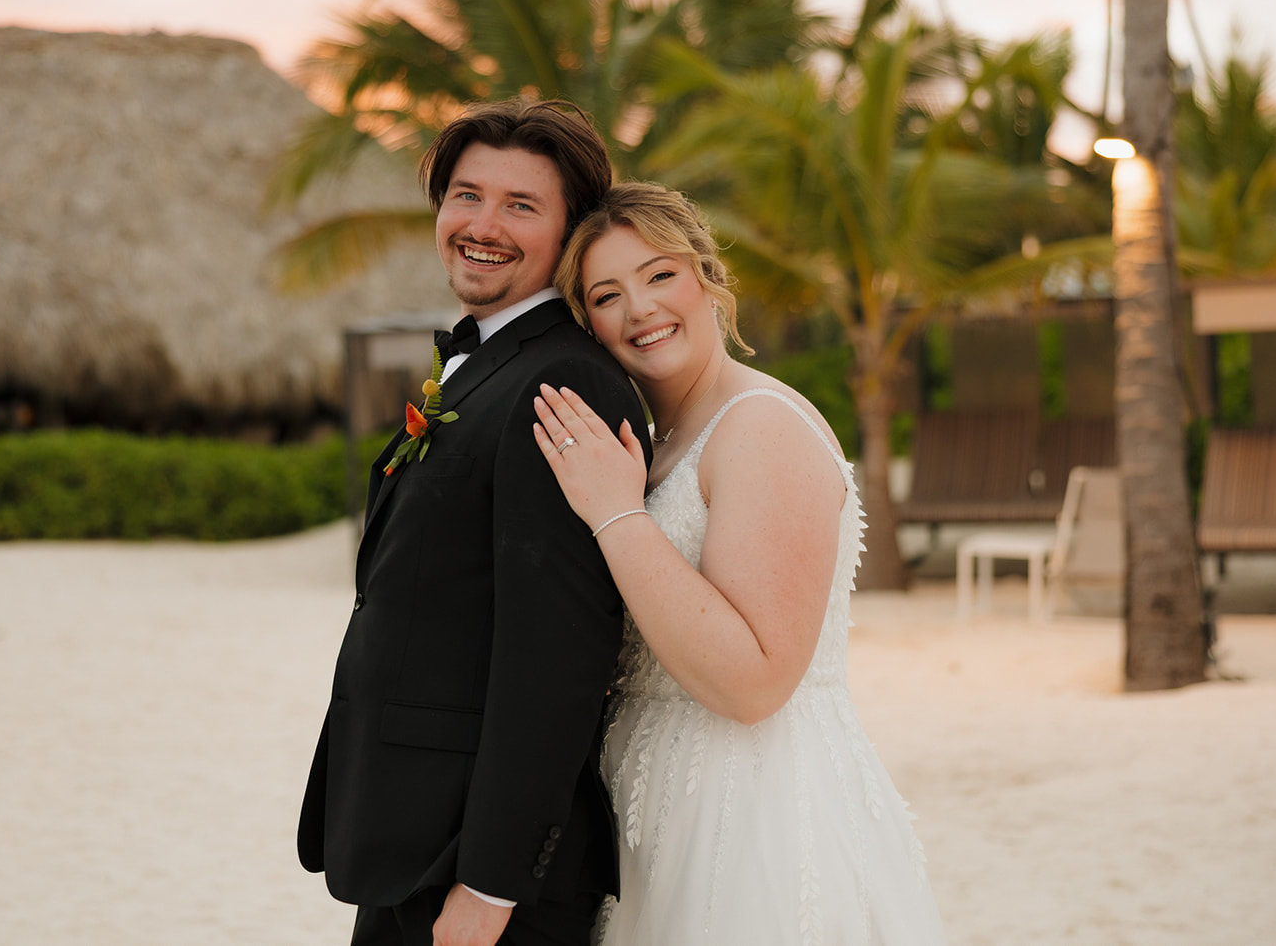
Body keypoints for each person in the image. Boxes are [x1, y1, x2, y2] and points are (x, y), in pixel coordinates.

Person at [532, 183, 948, 945]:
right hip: (648, 802)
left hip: (752, 808)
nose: (641, 310)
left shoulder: (760, 426)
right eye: (608, 294)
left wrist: (615, 512)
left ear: (707, 277)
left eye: (660, 275)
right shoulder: (661, 441)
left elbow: (756, 679)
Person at [296, 99, 651, 946]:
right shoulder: (486, 368)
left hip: (476, 870)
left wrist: (490, 886)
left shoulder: (558, 384)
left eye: (521, 206)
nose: (483, 224)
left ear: (571, 233)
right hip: (412, 835)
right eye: (466, 194)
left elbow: (557, 657)